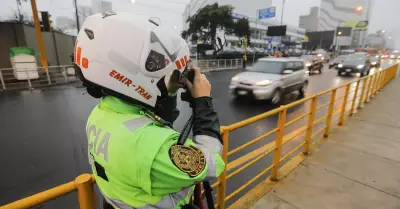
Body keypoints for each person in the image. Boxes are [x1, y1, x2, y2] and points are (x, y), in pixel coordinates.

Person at [74, 12, 225, 209]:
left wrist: (166, 96)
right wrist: (203, 102)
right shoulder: (150, 145)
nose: (173, 82)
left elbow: (158, 122)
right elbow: (212, 164)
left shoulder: (101, 114)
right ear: (136, 79)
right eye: (166, 75)